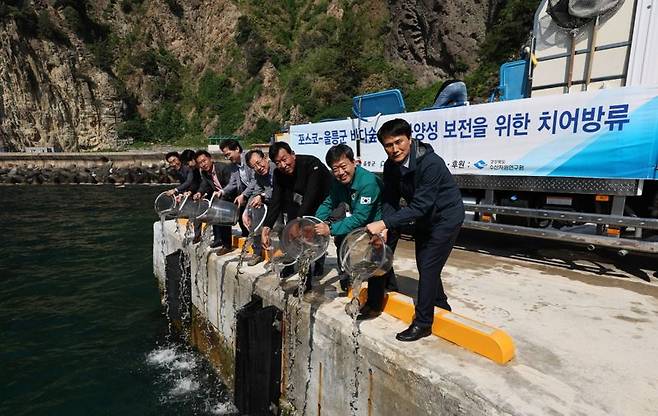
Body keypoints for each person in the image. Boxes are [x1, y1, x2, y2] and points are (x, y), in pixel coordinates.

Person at [366, 118, 464, 342]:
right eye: (388, 145)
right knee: (425, 262)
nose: (394, 149)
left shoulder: (431, 164)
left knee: (428, 265)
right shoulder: (391, 165)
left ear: (410, 139)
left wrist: (384, 224)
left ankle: (423, 323)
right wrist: (386, 226)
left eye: (399, 142)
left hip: (445, 217)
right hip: (424, 218)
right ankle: (440, 303)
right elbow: (390, 199)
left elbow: (421, 205)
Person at [314, 144, 396, 320]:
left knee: (375, 261)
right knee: (382, 261)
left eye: (344, 166)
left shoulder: (368, 183)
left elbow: (360, 217)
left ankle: (374, 307)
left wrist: (330, 229)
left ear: (354, 162)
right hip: (368, 222)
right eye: (335, 169)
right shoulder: (338, 183)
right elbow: (329, 202)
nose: (340, 172)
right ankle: (392, 287)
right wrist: (316, 222)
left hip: (384, 221)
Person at [261, 142, 332, 292]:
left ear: (292, 154)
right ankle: (299, 272)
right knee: (294, 235)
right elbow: (276, 200)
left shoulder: (311, 164)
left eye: (284, 159)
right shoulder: (279, 173)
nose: (283, 165)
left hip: (323, 200)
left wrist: (299, 222)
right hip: (298, 200)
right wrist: (266, 227)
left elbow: (312, 194)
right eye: (277, 162)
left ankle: (315, 268)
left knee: (310, 234)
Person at [192, 150, 234, 255]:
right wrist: (199, 193)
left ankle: (227, 245)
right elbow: (204, 185)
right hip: (221, 196)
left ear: (210, 158)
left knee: (222, 213)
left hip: (232, 195)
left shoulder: (223, 168)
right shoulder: (205, 173)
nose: (203, 164)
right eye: (200, 163)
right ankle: (219, 239)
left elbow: (232, 185)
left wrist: (222, 194)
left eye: (204, 161)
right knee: (212, 210)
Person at [242, 149, 277, 266]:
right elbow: (256, 192)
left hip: (285, 201)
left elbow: (279, 191)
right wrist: (246, 211)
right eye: (254, 166)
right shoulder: (258, 175)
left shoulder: (276, 168)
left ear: (265, 157)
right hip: (270, 201)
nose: (258, 167)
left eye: (259, 162)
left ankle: (279, 255)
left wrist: (262, 196)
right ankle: (257, 251)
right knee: (255, 209)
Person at [219, 139, 257, 238]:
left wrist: (244, 195)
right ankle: (247, 237)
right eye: (225, 156)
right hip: (247, 193)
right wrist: (222, 191)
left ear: (236, 149)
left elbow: (255, 181)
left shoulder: (250, 159)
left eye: (228, 154)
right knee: (239, 210)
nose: (227, 158)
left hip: (258, 191)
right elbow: (233, 183)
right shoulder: (233, 166)